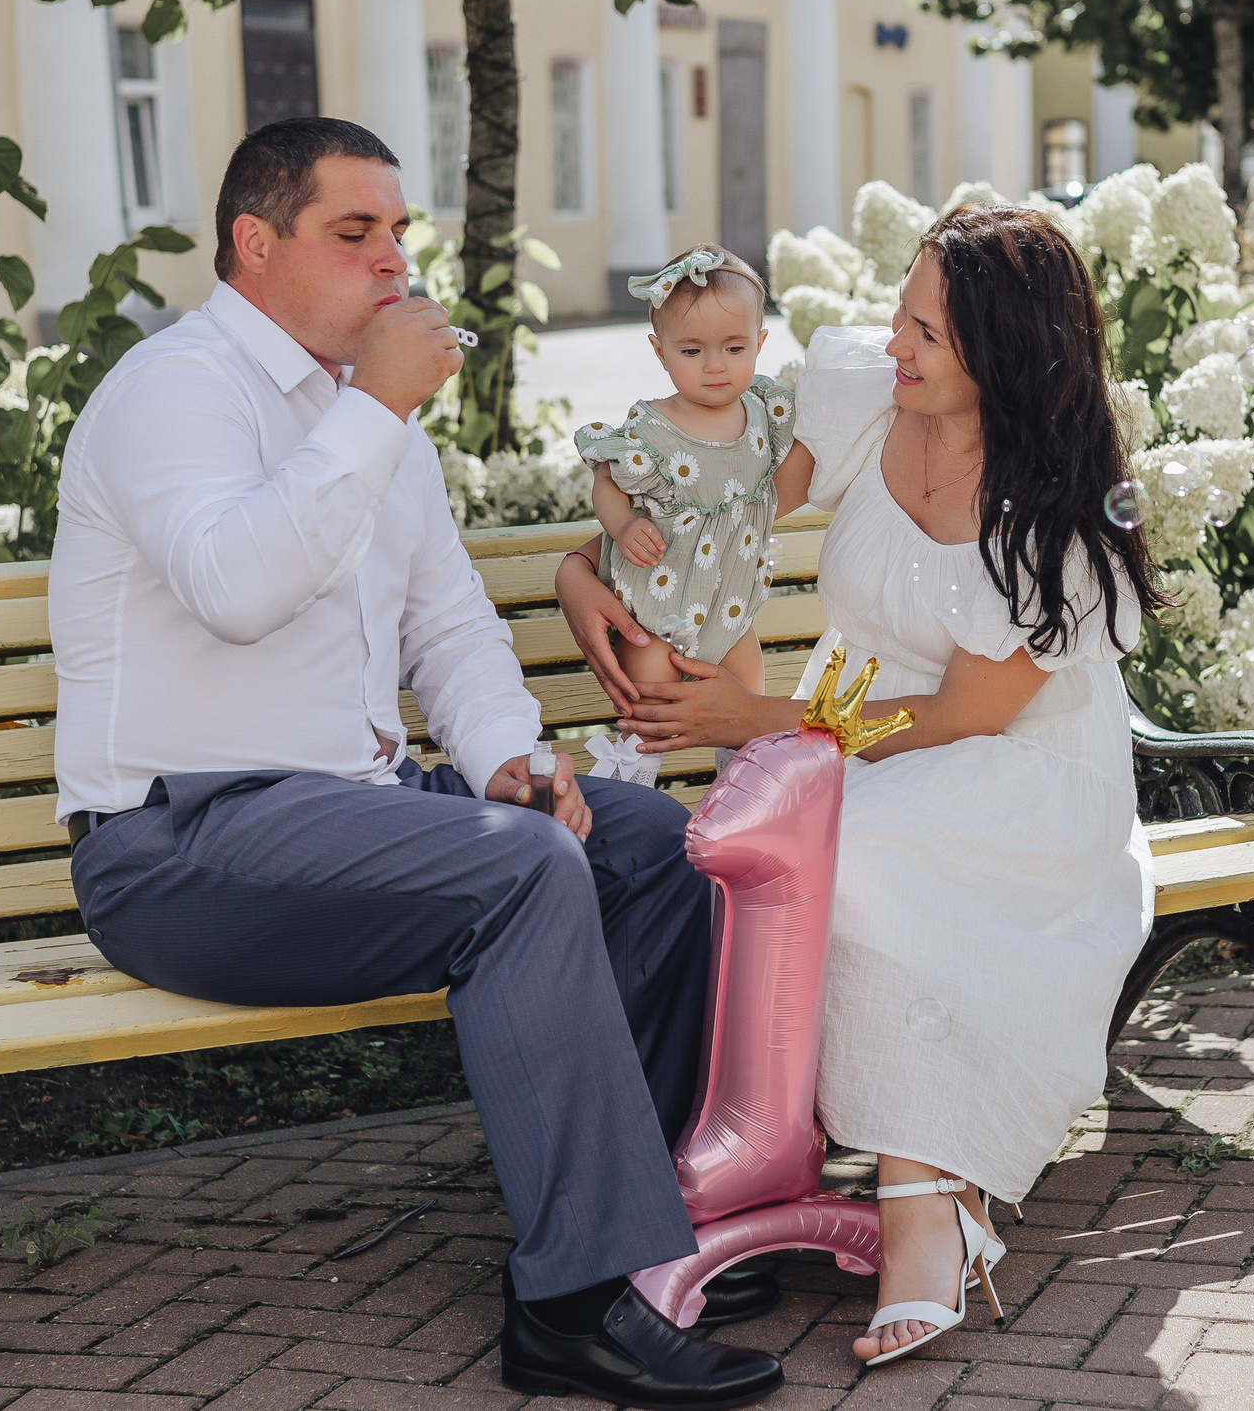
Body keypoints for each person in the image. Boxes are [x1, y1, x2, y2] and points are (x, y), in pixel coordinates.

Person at [51, 117, 785, 1410]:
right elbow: (230, 585)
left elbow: (447, 627)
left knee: (653, 846)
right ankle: (573, 1305)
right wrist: (379, 406)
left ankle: (659, 1234)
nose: (393, 261)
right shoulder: (176, 390)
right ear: (255, 242)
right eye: (355, 234)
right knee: (522, 874)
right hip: (178, 842)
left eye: (401, 233)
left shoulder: (376, 429)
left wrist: (512, 760)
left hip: (354, 806)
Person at [556, 205, 1164, 1367]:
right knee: (819, 851)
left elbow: (961, 718)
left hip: (1012, 773)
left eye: (928, 332)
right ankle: (846, 1176)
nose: (896, 344)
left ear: (1008, 351)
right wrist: (583, 573)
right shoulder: (856, 397)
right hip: (849, 738)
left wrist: (755, 720)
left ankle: (919, 1204)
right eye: (899, 312)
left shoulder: (1056, 517)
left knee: (854, 862)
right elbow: (711, 524)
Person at [573, 246, 797, 784]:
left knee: (751, 713)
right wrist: (623, 525)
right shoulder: (652, 429)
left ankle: (743, 797)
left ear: (761, 344)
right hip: (659, 612)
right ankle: (632, 790)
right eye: (692, 350)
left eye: (734, 347)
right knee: (651, 714)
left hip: (731, 609)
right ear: (660, 351)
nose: (715, 365)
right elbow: (607, 481)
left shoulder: (766, 413)